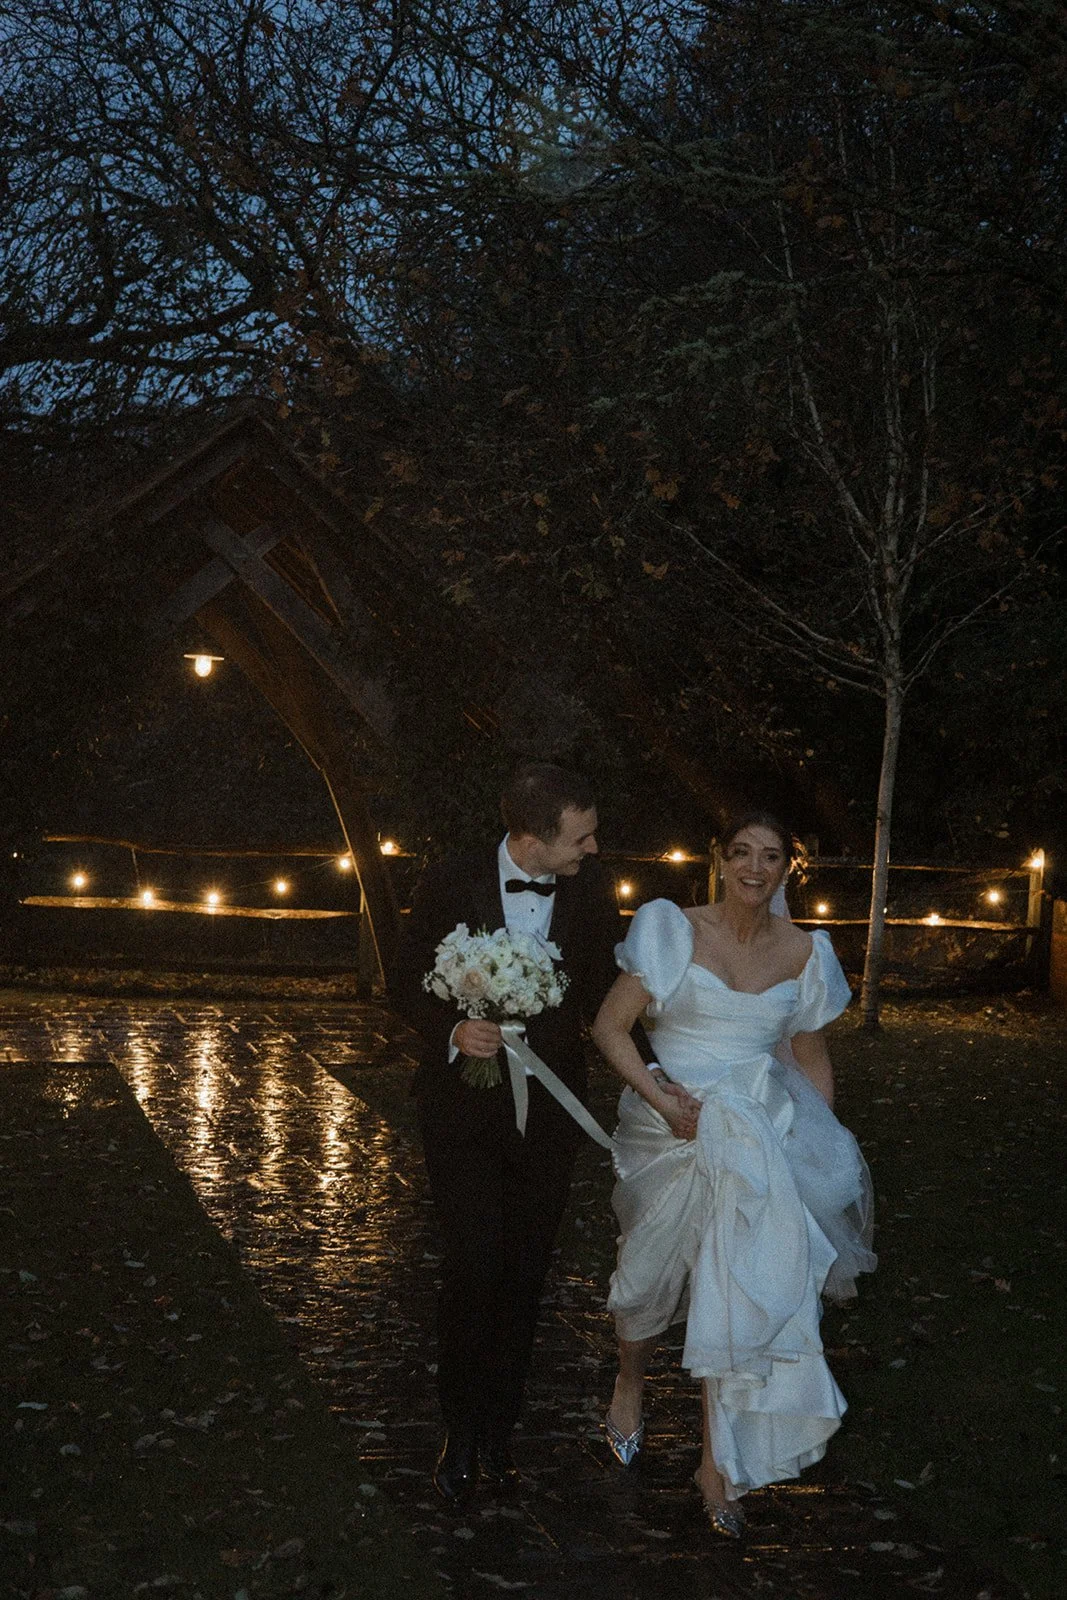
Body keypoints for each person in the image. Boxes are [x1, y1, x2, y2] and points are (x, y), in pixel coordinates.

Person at [591, 812, 876, 1537]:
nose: (755, 867)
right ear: (720, 859)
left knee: (736, 1294)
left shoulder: (806, 952)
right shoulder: (670, 928)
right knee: (645, 1282)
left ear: (788, 868)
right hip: (668, 1130)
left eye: (771, 856)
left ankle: (717, 1465)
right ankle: (630, 1381)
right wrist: (660, 1098)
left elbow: (807, 1056)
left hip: (756, 1143)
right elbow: (609, 1028)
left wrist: (812, 1140)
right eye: (741, 853)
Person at [397, 761, 657, 1506]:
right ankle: (459, 1430)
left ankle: (500, 1436)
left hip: (549, 1118)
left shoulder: (592, 891)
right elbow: (404, 973)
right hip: (461, 1117)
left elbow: (617, 991)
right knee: (473, 1267)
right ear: (531, 838)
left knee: (524, 1276)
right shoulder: (450, 879)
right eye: (581, 836)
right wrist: (451, 1028)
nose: (594, 848)